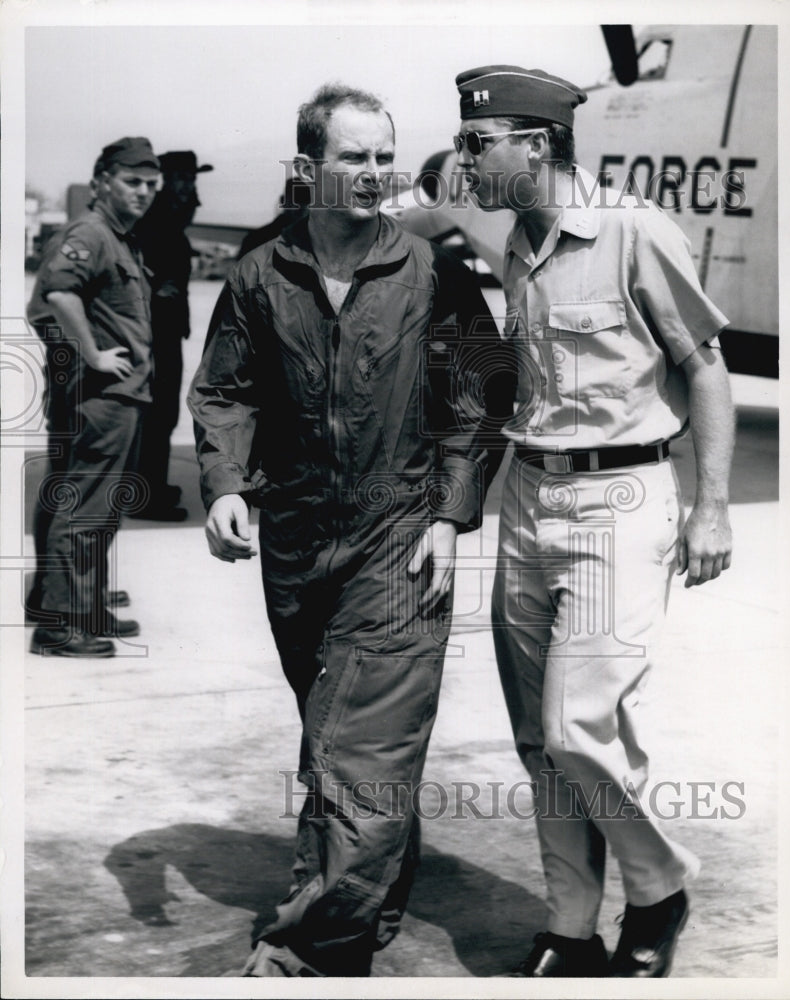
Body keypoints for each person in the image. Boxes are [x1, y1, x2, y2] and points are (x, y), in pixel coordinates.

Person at [188, 83, 513, 976]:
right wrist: (225, 482)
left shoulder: (432, 273)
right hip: (295, 545)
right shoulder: (261, 273)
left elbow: (480, 394)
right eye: (354, 158)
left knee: (360, 754)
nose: (375, 175)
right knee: (340, 740)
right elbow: (223, 390)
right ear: (307, 169)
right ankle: (368, 901)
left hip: (399, 540)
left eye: (385, 158)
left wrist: (451, 512)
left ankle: (311, 950)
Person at [453, 66, 734, 977]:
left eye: (478, 143)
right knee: (542, 741)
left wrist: (713, 507)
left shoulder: (633, 230)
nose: (466, 159)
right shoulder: (517, 245)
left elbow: (708, 370)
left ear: (535, 145)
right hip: (530, 504)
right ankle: (570, 928)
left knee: (579, 726)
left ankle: (659, 890)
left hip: (621, 505)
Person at [27, 137, 161, 656]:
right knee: (85, 504)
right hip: (100, 394)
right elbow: (58, 294)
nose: (144, 193)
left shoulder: (118, 236)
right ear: (102, 180)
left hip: (111, 394)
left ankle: (74, 604)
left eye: (151, 185)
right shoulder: (92, 233)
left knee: (89, 503)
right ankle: (60, 625)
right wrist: (95, 354)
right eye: (132, 182)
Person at [130, 150, 213, 521]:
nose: (189, 187)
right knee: (156, 414)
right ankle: (145, 498)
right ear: (168, 178)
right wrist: (156, 292)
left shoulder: (168, 212)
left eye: (191, 178)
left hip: (165, 330)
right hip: (154, 333)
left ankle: (152, 487)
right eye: (182, 178)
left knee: (161, 415)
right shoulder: (156, 218)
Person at [236, 176, 311, 260]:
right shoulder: (254, 240)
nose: (301, 206)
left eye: (306, 200)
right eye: (296, 199)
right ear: (283, 201)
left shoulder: (254, 239)